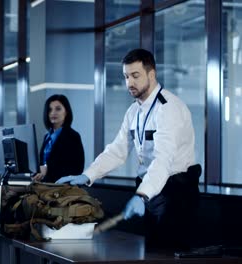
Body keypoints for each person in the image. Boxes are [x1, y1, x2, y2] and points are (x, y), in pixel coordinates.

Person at [56, 49, 201, 250]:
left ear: (151, 74)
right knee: (152, 254)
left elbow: (163, 160)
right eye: (126, 76)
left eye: (135, 76)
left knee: (169, 255)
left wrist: (142, 195)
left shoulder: (168, 108)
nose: (129, 82)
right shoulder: (134, 111)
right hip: (151, 191)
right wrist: (88, 175)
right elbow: (117, 150)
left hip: (176, 193)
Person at [32, 94, 85, 183]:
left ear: (66, 112)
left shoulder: (73, 136)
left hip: (61, 189)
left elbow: (77, 169)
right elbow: (42, 163)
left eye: (58, 109)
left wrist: (47, 169)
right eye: (50, 110)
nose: (53, 113)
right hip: (43, 185)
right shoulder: (47, 137)